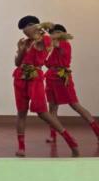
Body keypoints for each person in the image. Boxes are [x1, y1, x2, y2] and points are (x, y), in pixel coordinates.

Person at [13, 16, 78, 157]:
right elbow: (17, 63)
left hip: (35, 77)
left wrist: (41, 31)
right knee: (21, 112)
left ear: (33, 26)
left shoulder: (45, 39)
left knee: (42, 112)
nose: (23, 32)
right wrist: (22, 50)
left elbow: (44, 45)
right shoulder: (26, 42)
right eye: (22, 30)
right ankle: (21, 147)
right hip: (20, 77)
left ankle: (69, 139)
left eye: (25, 28)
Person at [44, 24, 99, 143]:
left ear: (63, 34)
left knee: (75, 105)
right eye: (53, 32)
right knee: (52, 108)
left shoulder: (64, 44)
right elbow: (47, 63)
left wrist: (46, 33)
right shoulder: (53, 48)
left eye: (57, 32)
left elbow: (54, 42)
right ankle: (53, 135)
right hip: (50, 77)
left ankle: (97, 132)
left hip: (62, 77)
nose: (54, 34)